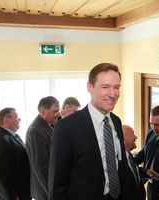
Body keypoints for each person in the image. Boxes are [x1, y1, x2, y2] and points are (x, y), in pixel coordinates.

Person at [49, 63, 130, 200]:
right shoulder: (66, 127)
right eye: (105, 87)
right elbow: (57, 183)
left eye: (116, 87)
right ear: (90, 87)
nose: (112, 94)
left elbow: (121, 168)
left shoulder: (116, 122)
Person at [0, 108, 31, 200]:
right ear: (6, 119)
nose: (19, 119)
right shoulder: (1, 139)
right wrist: (11, 196)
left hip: (22, 191)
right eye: (16, 117)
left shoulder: (12, 136)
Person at [25, 96, 60, 200]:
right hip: (45, 192)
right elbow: (40, 167)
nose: (58, 114)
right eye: (55, 111)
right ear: (44, 112)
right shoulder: (35, 131)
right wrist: (52, 193)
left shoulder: (48, 124)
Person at [133, 105, 159, 200]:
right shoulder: (151, 133)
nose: (154, 128)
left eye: (157, 125)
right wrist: (129, 161)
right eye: (151, 124)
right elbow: (143, 153)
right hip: (150, 184)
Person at [122, 125, 146, 200]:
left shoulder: (130, 155)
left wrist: (146, 171)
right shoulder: (117, 162)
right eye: (132, 134)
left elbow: (133, 172)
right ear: (123, 139)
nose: (136, 137)